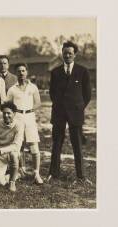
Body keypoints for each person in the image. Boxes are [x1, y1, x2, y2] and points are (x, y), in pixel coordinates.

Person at [47, 41, 92, 185]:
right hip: (59, 113)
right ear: (62, 54)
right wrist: (61, 106)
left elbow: (87, 94)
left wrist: (78, 107)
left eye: (70, 53)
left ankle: (81, 176)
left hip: (76, 114)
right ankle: (53, 174)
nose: (67, 56)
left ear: (75, 55)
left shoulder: (82, 71)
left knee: (77, 145)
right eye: (65, 53)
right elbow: (52, 93)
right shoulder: (55, 72)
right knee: (57, 144)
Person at [7, 63, 43, 184]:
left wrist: (30, 110)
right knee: (19, 145)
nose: (21, 73)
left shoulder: (33, 87)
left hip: (29, 117)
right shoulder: (12, 89)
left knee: (34, 145)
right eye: (18, 71)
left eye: (23, 71)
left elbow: (38, 102)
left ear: (26, 72)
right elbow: (8, 105)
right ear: (16, 73)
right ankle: (21, 170)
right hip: (17, 117)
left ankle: (36, 173)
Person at [0, 101, 24, 192]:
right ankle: (17, 174)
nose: (6, 115)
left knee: (13, 154)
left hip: (11, 151)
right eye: (4, 113)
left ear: (14, 114)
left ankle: (12, 181)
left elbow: (16, 146)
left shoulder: (19, 125)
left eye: (9, 113)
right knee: (1, 183)